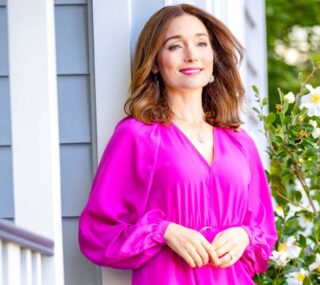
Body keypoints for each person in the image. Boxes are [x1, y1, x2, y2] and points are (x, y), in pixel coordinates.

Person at [78, 3, 277, 285]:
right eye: (174, 46)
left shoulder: (240, 143)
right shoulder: (137, 136)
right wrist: (164, 232)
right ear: (156, 63)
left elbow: (264, 233)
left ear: (213, 56)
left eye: (201, 43)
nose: (191, 55)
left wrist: (244, 236)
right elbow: (98, 232)